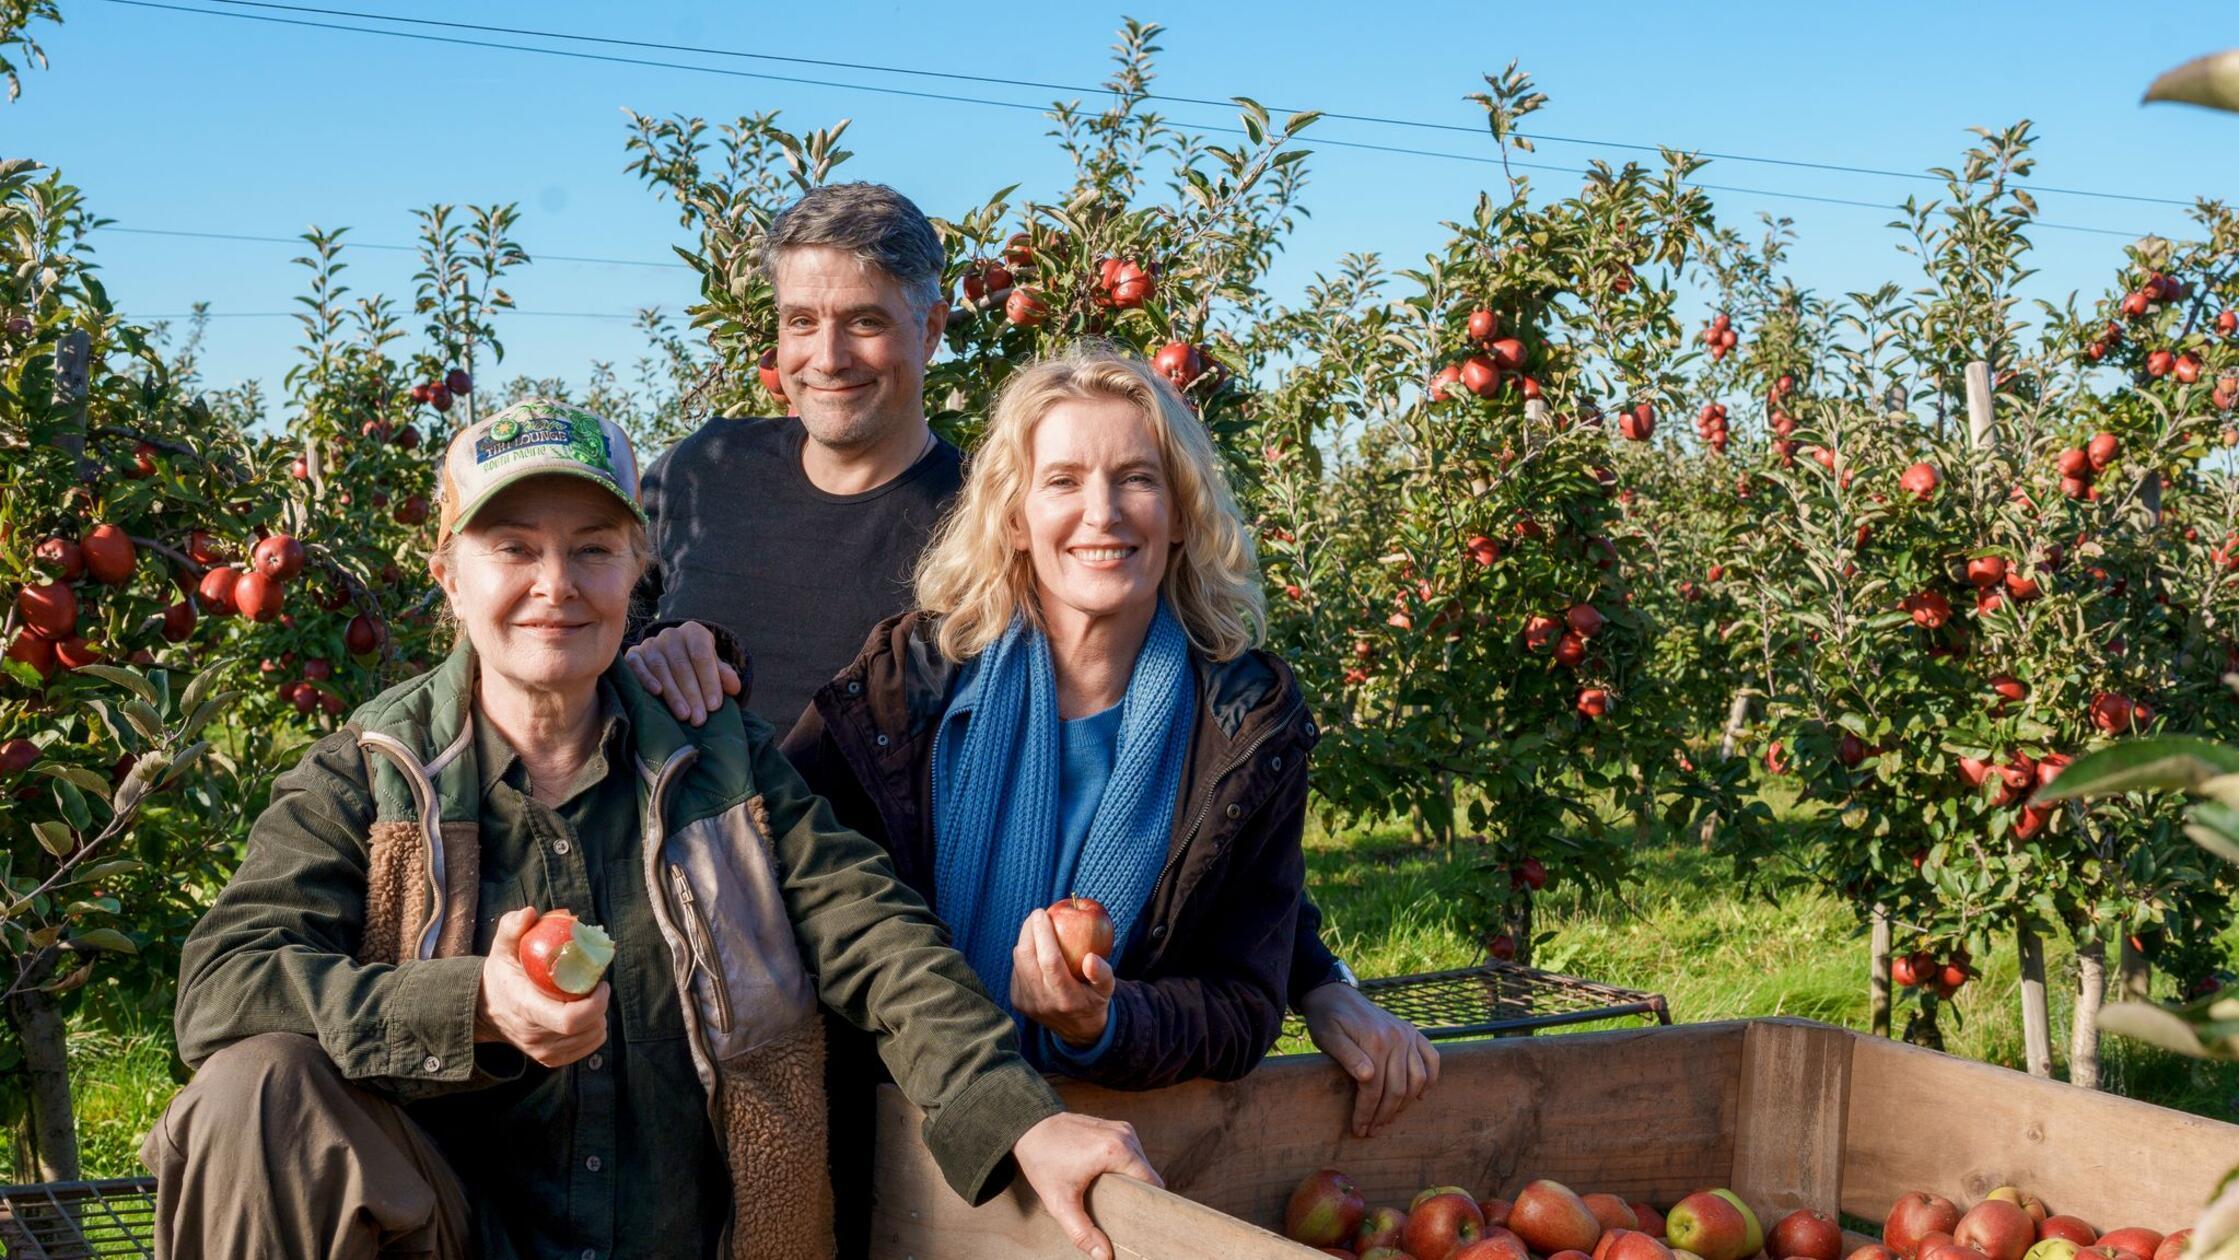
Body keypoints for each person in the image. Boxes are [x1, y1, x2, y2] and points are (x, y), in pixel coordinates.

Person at [143, 399, 1157, 1260]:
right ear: (448, 574)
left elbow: (878, 939)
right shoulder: (372, 777)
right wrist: (473, 1008)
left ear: (638, 569)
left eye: (592, 550)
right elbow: (222, 985)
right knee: (254, 1088)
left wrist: (1022, 1121)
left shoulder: (722, 765)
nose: (556, 585)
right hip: (447, 1235)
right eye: (512, 549)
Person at [627, 182, 1440, 1137]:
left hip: (900, 1047)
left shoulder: (978, 552)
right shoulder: (699, 474)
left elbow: (1211, 841)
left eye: (863, 322)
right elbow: (595, 632)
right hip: (711, 973)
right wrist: (649, 647)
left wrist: (1317, 980)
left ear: (930, 329)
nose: (827, 355)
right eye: (800, 321)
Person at [786, 346, 1314, 1091]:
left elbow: (1244, 999)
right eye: (1062, 481)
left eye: (1137, 478)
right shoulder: (909, 680)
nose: (1101, 512)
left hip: (1123, 1148)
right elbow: (794, 881)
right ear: (1015, 520)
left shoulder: (1243, 724)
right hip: (902, 1130)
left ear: (1179, 515)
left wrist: (1110, 1021)